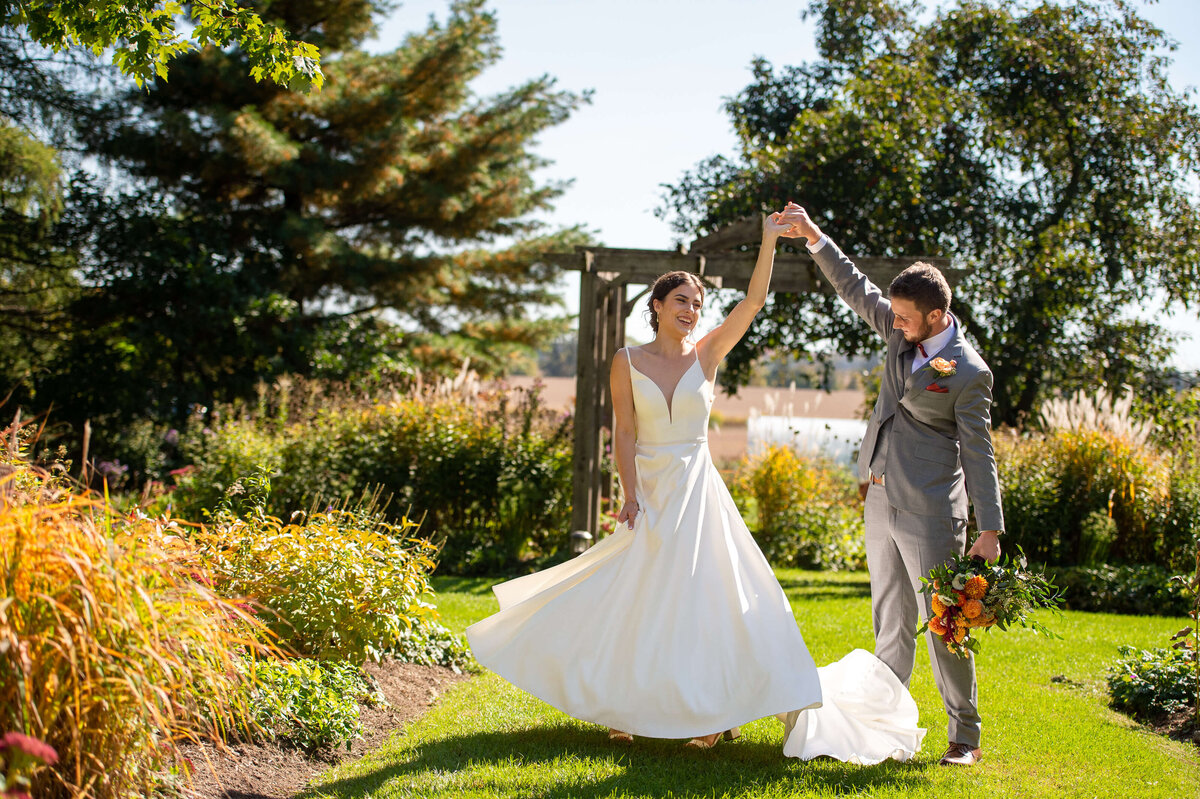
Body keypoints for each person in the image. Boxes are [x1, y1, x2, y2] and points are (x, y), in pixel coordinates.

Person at [466, 210, 925, 763]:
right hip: (651, 491)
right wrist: (629, 494)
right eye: (682, 301)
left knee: (710, 598)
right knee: (633, 597)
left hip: (697, 490)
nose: (691, 311)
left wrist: (768, 244)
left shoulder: (707, 354)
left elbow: (752, 302)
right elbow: (626, 432)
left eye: (698, 305)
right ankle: (621, 706)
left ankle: (716, 712)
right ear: (656, 307)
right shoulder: (626, 361)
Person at [778, 202, 1004, 767]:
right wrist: (813, 236)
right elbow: (855, 286)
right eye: (894, 316)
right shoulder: (896, 329)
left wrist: (991, 528)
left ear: (934, 317)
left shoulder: (970, 372)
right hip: (878, 495)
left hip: (932, 509)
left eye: (905, 317)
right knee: (889, 617)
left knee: (943, 622)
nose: (894, 323)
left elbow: (979, 451)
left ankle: (965, 736)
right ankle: (881, 724)